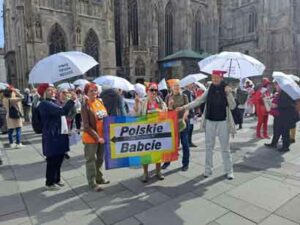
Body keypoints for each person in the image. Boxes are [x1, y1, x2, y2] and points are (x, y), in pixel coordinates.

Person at [177, 70, 236, 180]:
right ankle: (208, 170)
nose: (214, 79)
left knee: (225, 148)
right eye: (213, 77)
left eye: (216, 77)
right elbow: (199, 100)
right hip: (210, 121)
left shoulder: (226, 89)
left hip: (223, 121)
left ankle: (229, 171)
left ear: (221, 78)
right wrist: (184, 107)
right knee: (209, 147)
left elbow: (232, 106)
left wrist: (228, 93)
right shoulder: (209, 89)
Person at [37, 83, 76, 191]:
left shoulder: (52, 102)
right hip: (52, 135)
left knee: (59, 158)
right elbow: (62, 111)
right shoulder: (44, 104)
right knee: (52, 160)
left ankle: (57, 179)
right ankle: (49, 182)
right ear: (43, 93)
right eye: (49, 90)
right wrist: (71, 101)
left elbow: (63, 112)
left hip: (59, 133)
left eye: (52, 89)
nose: (52, 91)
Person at [134, 82, 167, 182]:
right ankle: (145, 173)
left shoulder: (160, 101)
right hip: (146, 131)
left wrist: (159, 111)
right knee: (145, 154)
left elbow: (165, 111)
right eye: (151, 90)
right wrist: (136, 103)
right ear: (147, 91)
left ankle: (158, 171)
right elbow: (137, 114)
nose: (153, 92)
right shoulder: (143, 102)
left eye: (155, 90)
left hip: (157, 130)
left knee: (158, 152)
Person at [81, 83, 109, 192]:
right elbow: (86, 126)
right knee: (91, 160)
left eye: (95, 90)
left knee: (100, 159)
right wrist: (98, 138)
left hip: (102, 137)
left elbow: (105, 118)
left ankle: (99, 178)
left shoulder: (99, 102)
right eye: (91, 91)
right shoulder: (85, 106)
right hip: (91, 139)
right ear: (87, 93)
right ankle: (92, 183)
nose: (94, 93)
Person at [162, 81, 190, 171]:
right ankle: (167, 161)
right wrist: (169, 106)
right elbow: (166, 111)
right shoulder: (168, 97)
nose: (177, 88)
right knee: (170, 144)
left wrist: (184, 117)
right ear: (172, 88)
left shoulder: (184, 96)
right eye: (175, 86)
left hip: (183, 122)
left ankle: (185, 164)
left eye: (178, 86)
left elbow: (187, 108)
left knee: (185, 143)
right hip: (172, 123)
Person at [265, 83, 296, 152]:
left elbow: (284, 104)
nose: (275, 87)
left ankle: (285, 147)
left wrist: (275, 105)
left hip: (284, 116)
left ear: (281, 86)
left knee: (284, 131)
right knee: (276, 130)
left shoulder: (285, 93)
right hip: (280, 115)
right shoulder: (281, 93)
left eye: (276, 85)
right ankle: (274, 143)